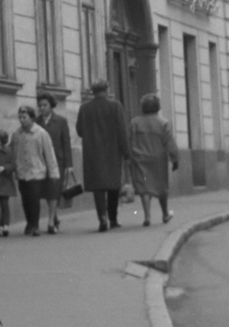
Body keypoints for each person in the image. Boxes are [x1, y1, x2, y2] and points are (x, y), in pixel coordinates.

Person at [77, 77, 131, 231]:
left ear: (93, 91)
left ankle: (102, 217)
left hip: (92, 152)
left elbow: (80, 130)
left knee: (98, 187)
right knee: (113, 185)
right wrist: (126, 153)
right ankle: (113, 218)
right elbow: (122, 131)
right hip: (112, 151)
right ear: (106, 90)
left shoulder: (84, 108)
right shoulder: (115, 106)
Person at [128, 93, 179, 225]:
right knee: (161, 186)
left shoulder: (135, 122)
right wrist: (175, 159)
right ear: (157, 107)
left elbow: (130, 140)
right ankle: (165, 214)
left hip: (140, 159)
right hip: (158, 160)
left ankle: (147, 216)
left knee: (144, 187)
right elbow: (170, 143)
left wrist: (129, 157)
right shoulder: (163, 123)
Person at [10, 103, 59, 236]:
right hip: (21, 172)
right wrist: (13, 169)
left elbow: (49, 153)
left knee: (34, 199)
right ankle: (29, 222)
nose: (22, 120)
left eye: (24, 117)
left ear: (32, 118)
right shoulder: (16, 134)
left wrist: (53, 172)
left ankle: (35, 225)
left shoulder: (41, 133)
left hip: (36, 172)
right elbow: (12, 152)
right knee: (25, 199)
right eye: (20, 117)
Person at [35, 92, 74, 228]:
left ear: (51, 106)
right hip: (41, 161)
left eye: (45, 105)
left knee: (54, 190)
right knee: (46, 191)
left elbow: (66, 142)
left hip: (58, 161)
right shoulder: (35, 122)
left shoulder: (61, 121)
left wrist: (69, 164)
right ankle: (54, 215)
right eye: (40, 105)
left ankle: (51, 221)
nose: (42, 108)